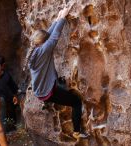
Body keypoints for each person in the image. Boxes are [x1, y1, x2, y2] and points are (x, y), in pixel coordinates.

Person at [26, 7, 88, 139]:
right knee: (76, 102)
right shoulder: (44, 50)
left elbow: (47, 34)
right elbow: (54, 37)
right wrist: (63, 17)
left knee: (61, 83)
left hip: (39, 89)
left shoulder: (34, 49)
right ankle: (77, 131)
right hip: (47, 92)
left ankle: (46, 102)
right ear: (43, 43)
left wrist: (58, 18)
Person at [0, 56, 19, 132]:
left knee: (11, 110)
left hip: (8, 101)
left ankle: (11, 128)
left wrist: (16, 95)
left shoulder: (6, 75)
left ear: (3, 65)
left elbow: (13, 87)